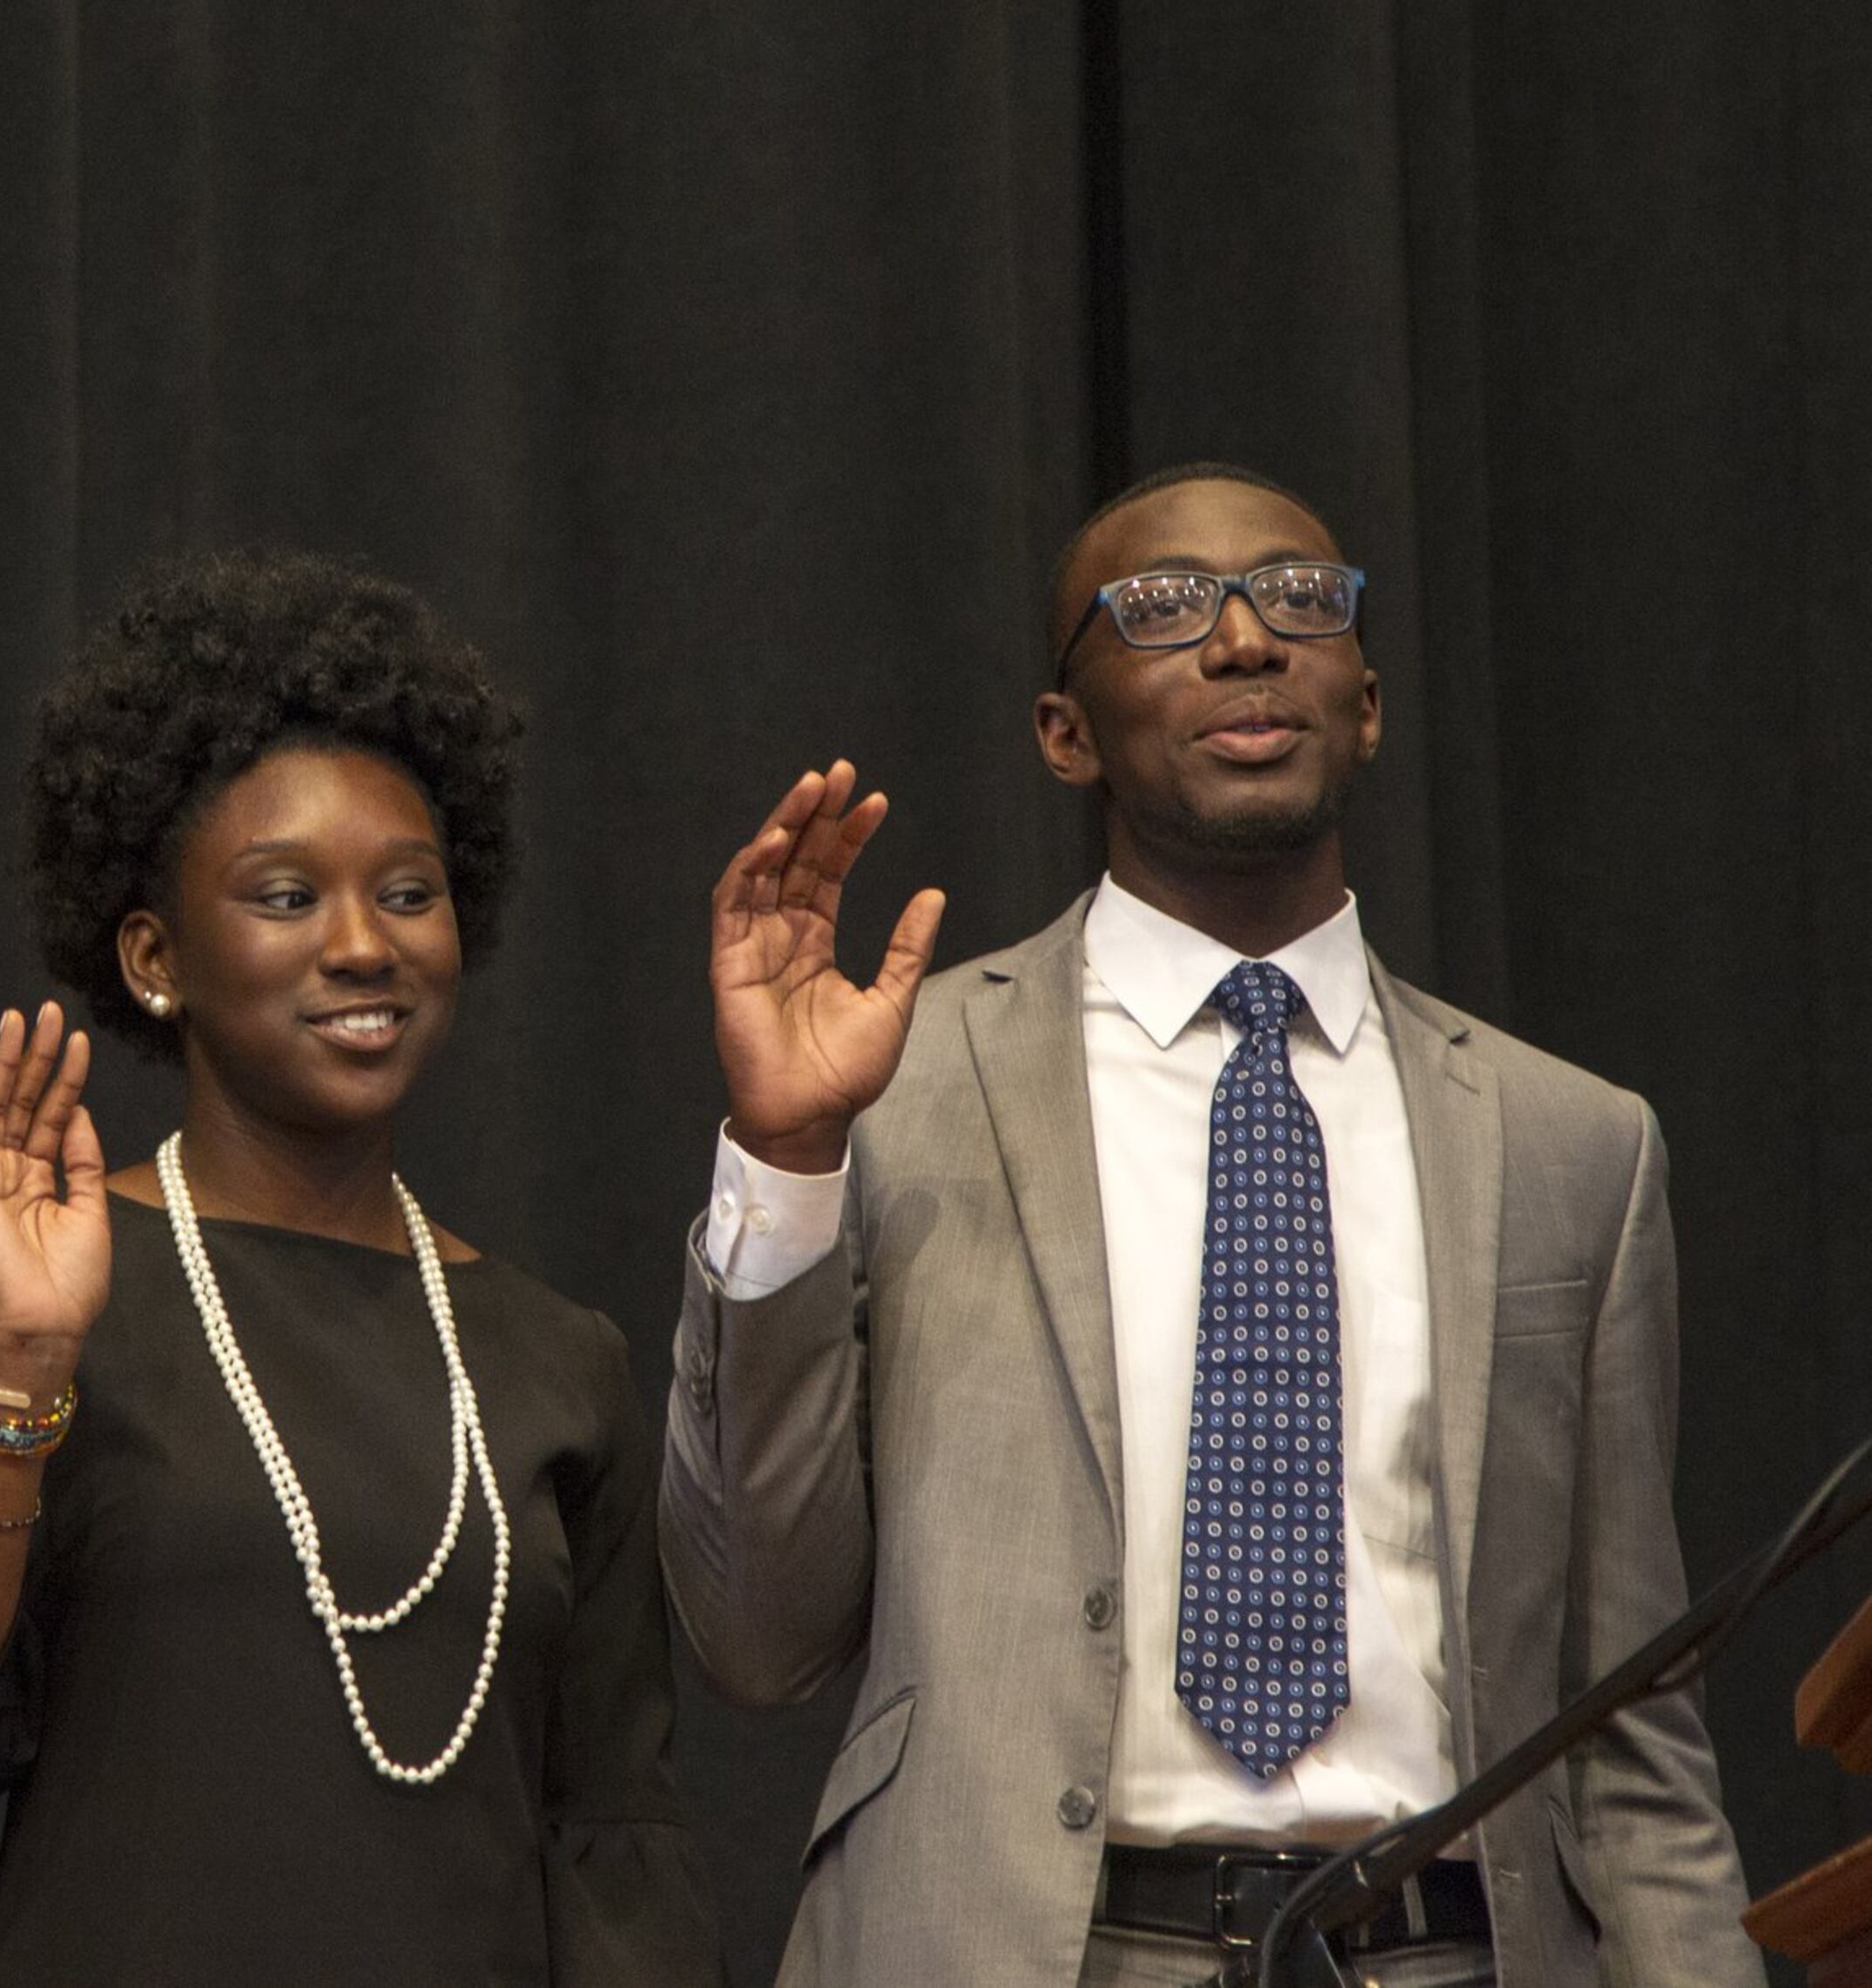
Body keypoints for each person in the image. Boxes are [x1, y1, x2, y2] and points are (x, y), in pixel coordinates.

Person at [661, 463, 1762, 1985]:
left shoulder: (1575, 1144)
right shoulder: (900, 1092)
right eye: (1167, 607)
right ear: (1067, 733)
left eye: (1300, 598)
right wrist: (785, 1158)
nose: (1246, 639)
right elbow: (754, 1634)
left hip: (1447, 1951)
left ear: (1366, 702)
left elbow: (1636, 1720)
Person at [0, 552, 716, 1986]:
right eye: (287, 895)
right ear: (157, 954)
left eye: (408, 892)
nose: (364, 944)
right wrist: (26, 1360)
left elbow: (611, 1831)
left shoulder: (559, 1355)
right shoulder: (33, 1286)